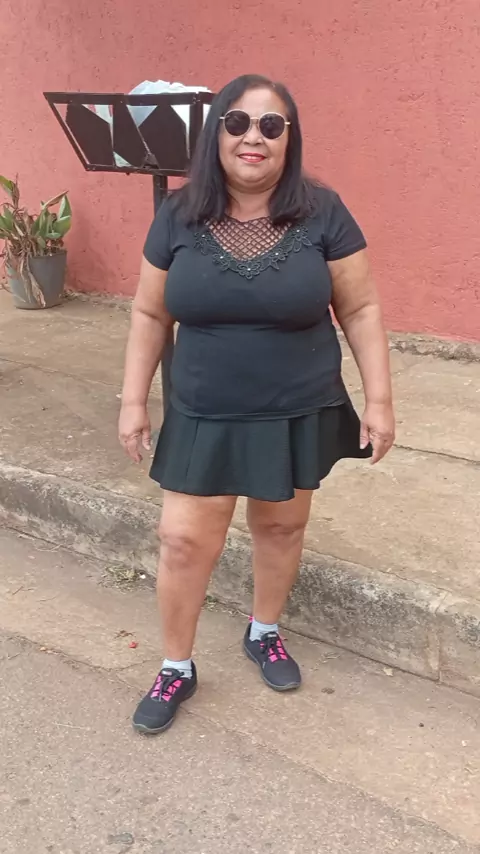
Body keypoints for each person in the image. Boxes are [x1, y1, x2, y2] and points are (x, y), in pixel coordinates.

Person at [119, 74, 395, 735]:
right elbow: (150, 312)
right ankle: (176, 666)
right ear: (216, 132)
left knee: (280, 528)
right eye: (238, 122)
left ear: (289, 139)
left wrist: (379, 399)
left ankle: (263, 630)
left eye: (272, 125)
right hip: (203, 408)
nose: (254, 137)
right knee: (183, 540)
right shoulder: (179, 214)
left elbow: (360, 307)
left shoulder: (323, 211)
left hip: (296, 404)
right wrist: (133, 400)